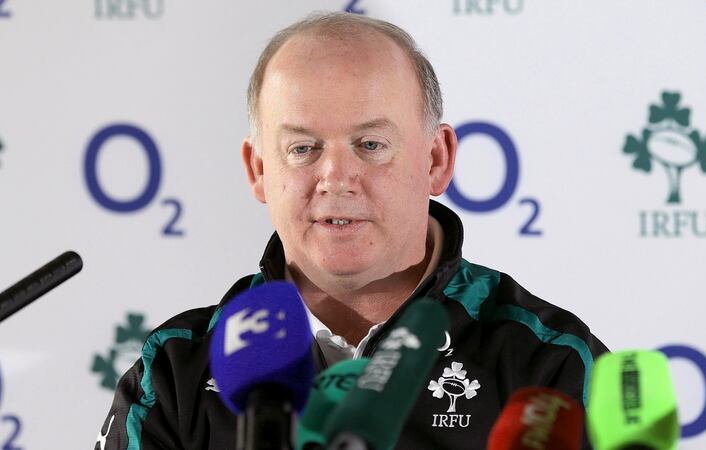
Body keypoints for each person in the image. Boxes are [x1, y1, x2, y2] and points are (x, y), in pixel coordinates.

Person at [95, 11, 607, 450]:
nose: (336, 178)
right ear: (258, 170)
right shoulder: (173, 371)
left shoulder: (550, 362)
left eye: (370, 144)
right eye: (303, 148)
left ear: (436, 159)